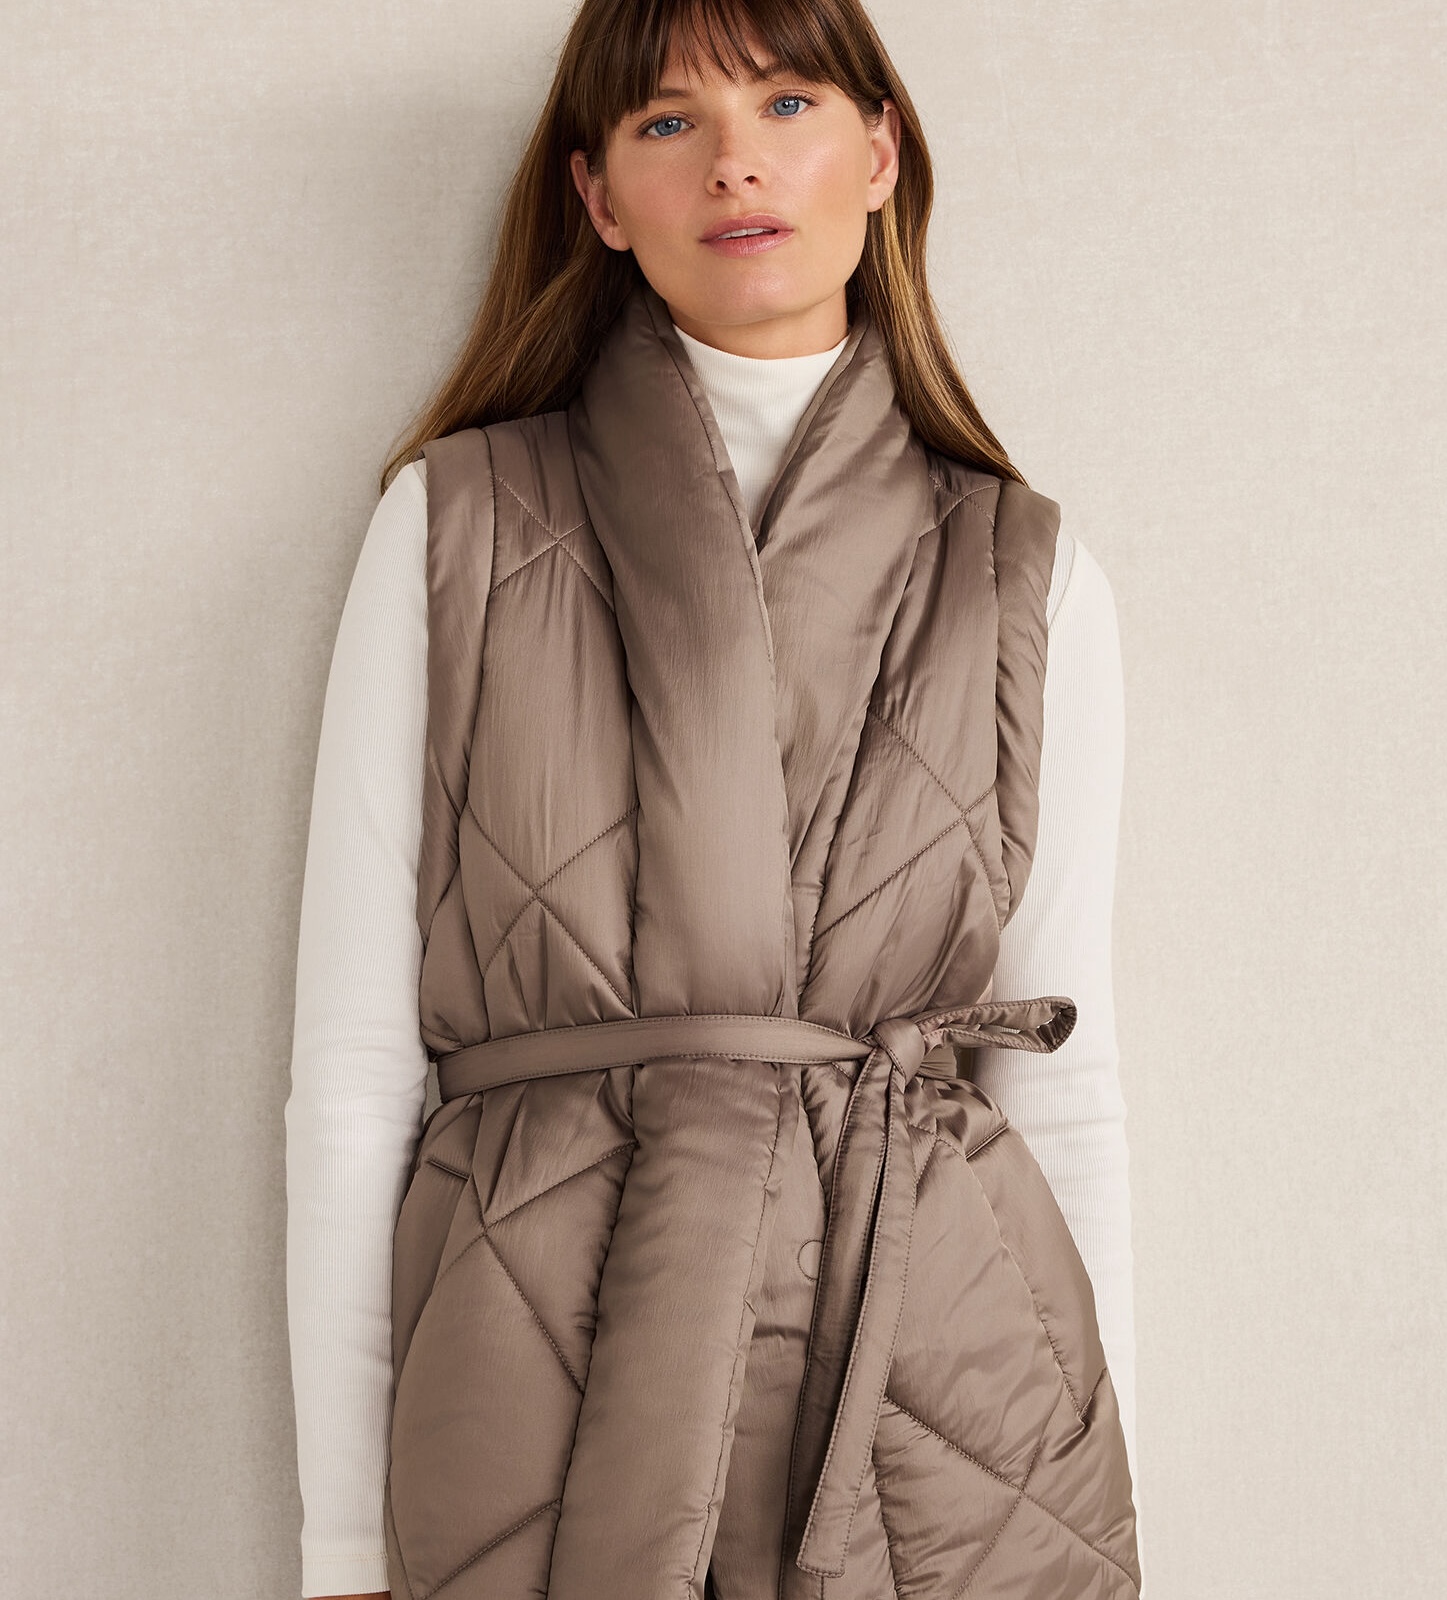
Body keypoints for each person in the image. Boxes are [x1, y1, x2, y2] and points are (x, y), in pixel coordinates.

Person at [284, 2, 1138, 1597]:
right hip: (535, 1353)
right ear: (601, 196)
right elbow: (353, 1069)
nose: (736, 162)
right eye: (668, 122)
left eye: (789, 102)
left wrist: (1095, 1504)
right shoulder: (453, 525)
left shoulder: (1028, 573)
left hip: (942, 1378)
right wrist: (342, 1543)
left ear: (880, 152)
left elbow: (1062, 1076)